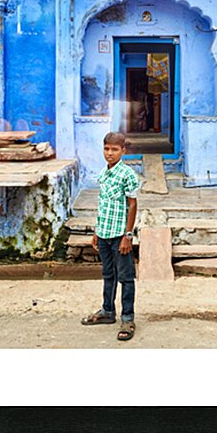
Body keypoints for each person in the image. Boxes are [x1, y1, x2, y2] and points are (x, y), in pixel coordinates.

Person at [81, 131, 139, 341]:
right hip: (104, 232)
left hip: (119, 235)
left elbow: (132, 206)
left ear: (123, 151)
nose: (110, 153)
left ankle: (128, 318)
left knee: (125, 277)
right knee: (108, 274)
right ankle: (107, 311)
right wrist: (97, 231)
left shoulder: (128, 175)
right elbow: (103, 205)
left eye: (114, 149)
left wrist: (128, 235)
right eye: (106, 149)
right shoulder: (103, 174)